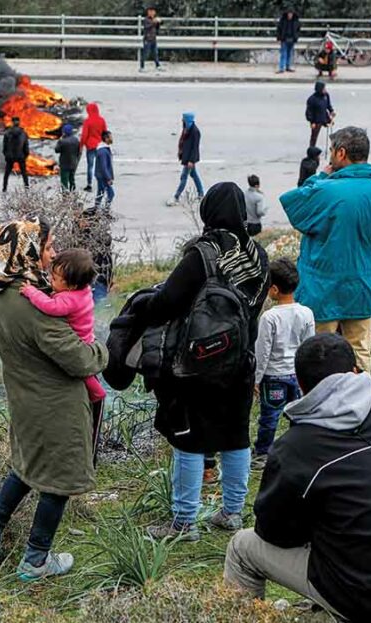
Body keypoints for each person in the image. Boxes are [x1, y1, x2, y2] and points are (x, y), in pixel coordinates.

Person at [224, 333, 371, 621]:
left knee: (242, 546)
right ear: (356, 370)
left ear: (300, 386)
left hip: (369, 597)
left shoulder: (296, 447)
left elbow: (274, 533)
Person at [0, 218, 108, 581]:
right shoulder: (30, 303)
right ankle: (36, 560)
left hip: (24, 397)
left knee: (26, 468)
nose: (53, 254)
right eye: (46, 247)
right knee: (57, 480)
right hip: (55, 404)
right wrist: (101, 352)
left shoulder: (0, 288)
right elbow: (78, 359)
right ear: (24, 252)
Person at [130, 183, 269, 542]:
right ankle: (233, 513)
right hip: (242, 361)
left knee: (189, 439)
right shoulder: (258, 255)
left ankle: (183, 523)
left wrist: (144, 305)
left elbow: (167, 302)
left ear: (208, 212)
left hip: (198, 363)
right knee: (236, 436)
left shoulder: (203, 254)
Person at [280, 126, 371, 372]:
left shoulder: (325, 190)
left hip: (321, 290)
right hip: (362, 285)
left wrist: (320, 176)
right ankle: (361, 402)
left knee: (318, 351)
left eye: (331, 151)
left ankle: (318, 403)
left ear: (341, 153)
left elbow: (294, 204)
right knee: (359, 349)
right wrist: (370, 262)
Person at [20, 248, 106, 407]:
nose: (51, 280)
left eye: (55, 278)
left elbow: (50, 306)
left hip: (80, 337)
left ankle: (97, 393)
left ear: (72, 285)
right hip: (87, 333)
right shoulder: (82, 290)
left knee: (83, 371)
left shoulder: (70, 300)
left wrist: (31, 292)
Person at [251, 258, 314, 470]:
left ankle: (262, 454)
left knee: (270, 417)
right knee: (298, 414)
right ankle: (299, 451)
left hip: (273, 376)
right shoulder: (306, 313)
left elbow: (263, 351)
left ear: (274, 289)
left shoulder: (269, 317)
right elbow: (309, 347)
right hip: (297, 375)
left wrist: (256, 379)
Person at [168, 113, 203, 205]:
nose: (182, 121)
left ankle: (176, 197)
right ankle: (201, 194)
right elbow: (183, 142)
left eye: (183, 119)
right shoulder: (186, 129)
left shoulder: (195, 132)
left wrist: (191, 160)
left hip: (190, 160)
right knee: (194, 176)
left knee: (184, 177)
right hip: (186, 158)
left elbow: (195, 148)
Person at [80, 103, 108, 192]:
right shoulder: (102, 120)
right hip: (100, 146)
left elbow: (84, 135)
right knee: (101, 165)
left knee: (90, 166)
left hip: (90, 146)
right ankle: (103, 182)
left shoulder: (87, 121)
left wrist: (81, 145)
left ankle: (89, 185)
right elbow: (105, 133)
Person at [2, 116, 30, 192]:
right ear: (19, 122)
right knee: (24, 173)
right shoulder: (23, 133)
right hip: (20, 156)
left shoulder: (7, 133)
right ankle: (27, 187)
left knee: (7, 173)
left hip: (10, 156)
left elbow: (4, 146)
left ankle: (4, 188)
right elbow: (26, 146)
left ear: (12, 122)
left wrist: (6, 154)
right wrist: (26, 155)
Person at [305, 81, 334, 149]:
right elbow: (309, 112)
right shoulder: (312, 99)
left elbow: (328, 105)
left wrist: (331, 111)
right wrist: (312, 122)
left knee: (332, 131)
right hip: (316, 120)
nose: (325, 90)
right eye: (323, 89)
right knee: (314, 136)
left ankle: (333, 146)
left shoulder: (326, 95)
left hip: (325, 116)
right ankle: (312, 148)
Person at [55, 124, 81, 192]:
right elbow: (78, 151)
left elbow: (56, 150)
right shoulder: (76, 140)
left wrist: (59, 140)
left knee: (64, 181)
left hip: (64, 164)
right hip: (73, 163)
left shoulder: (62, 141)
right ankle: (73, 191)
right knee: (72, 179)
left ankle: (65, 195)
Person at [94, 131, 115, 209]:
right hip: (103, 176)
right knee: (111, 194)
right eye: (110, 137)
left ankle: (96, 208)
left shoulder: (103, 149)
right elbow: (104, 166)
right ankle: (106, 210)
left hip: (100, 175)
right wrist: (108, 178)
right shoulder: (103, 151)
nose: (112, 139)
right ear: (106, 138)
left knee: (100, 193)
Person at [275, 9, 301, 73]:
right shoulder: (283, 20)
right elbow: (279, 29)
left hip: (292, 39)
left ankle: (288, 67)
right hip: (284, 39)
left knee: (289, 54)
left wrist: (296, 37)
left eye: (291, 14)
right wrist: (279, 38)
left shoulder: (295, 21)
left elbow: (298, 29)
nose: (290, 15)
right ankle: (281, 68)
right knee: (283, 54)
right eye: (289, 14)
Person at [140, 7, 162, 72]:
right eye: (151, 11)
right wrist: (154, 22)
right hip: (147, 39)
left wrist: (158, 23)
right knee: (145, 53)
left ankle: (158, 66)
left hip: (153, 39)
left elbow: (157, 29)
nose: (152, 13)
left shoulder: (154, 19)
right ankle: (142, 67)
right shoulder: (146, 19)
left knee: (155, 53)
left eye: (153, 11)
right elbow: (147, 27)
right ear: (148, 12)